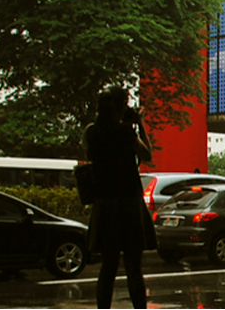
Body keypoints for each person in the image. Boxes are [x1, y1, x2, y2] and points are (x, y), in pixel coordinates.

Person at [84, 86, 155, 309]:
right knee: (134, 267)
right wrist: (140, 124)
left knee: (108, 268)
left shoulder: (92, 133)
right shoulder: (125, 132)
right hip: (128, 203)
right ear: (120, 106)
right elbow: (147, 155)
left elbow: (90, 155)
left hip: (104, 204)